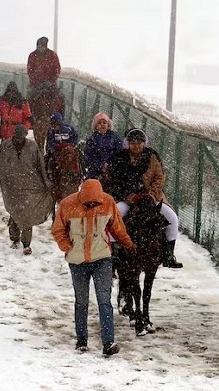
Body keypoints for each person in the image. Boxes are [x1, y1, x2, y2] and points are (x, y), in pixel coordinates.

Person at [52, 179, 136, 356]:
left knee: (104, 301)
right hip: (77, 261)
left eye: (95, 203)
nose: (92, 205)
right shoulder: (67, 205)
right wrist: (67, 247)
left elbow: (117, 228)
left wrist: (128, 245)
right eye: (88, 203)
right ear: (81, 197)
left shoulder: (108, 203)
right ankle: (81, 340)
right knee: (81, 301)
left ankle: (108, 342)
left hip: (102, 258)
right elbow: (58, 230)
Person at [105, 128, 183, 268]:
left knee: (172, 218)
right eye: (133, 142)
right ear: (128, 143)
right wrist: (128, 196)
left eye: (139, 142)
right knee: (113, 216)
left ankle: (168, 254)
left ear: (144, 143)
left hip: (151, 198)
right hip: (128, 199)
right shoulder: (119, 158)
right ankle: (113, 252)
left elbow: (159, 177)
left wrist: (151, 194)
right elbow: (115, 180)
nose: (136, 145)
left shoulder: (152, 156)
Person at [0, 125, 53, 255]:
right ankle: (14, 237)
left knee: (27, 213)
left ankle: (26, 244)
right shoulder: (5, 146)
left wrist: (45, 181)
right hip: (10, 186)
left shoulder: (32, 147)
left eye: (21, 137)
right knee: (15, 211)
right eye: (17, 136)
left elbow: (40, 165)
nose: (19, 139)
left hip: (29, 184)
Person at [83, 113, 123, 180]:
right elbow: (89, 155)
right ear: (96, 126)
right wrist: (100, 165)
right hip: (96, 170)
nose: (102, 124)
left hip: (112, 169)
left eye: (104, 122)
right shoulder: (92, 139)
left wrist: (109, 164)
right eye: (99, 123)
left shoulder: (115, 138)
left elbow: (119, 152)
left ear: (108, 125)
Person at [44, 112, 79, 180]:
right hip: (57, 150)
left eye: (55, 124)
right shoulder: (51, 131)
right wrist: (55, 147)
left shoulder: (69, 129)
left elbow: (75, 138)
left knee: (79, 157)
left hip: (69, 149)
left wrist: (71, 145)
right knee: (48, 158)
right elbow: (49, 142)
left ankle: (80, 173)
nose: (53, 126)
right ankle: (48, 174)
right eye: (52, 124)